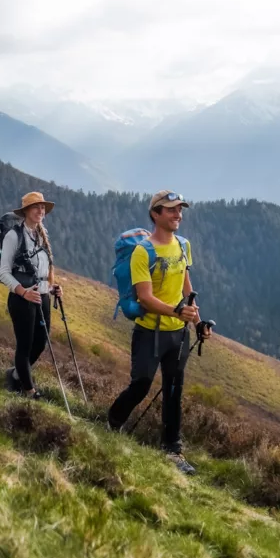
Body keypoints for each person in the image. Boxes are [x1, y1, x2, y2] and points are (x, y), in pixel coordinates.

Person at [107, 190, 208, 475]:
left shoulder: (183, 245)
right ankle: (113, 422)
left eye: (180, 210)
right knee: (141, 384)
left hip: (179, 334)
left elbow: (187, 287)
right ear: (155, 214)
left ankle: (173, 450)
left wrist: (198, 322)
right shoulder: (144, 252)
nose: (178, 215)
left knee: (174, 391)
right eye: (172, 210)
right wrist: (177, 311)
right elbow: (145, 298)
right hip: (149, 332)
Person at [0, 191, 62, 398]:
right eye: (36, 207)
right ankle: (29, 391)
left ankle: (15, 375)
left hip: (42, 296)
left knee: (40, 343)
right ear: (25, 210)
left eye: (42, 208)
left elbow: (41, 272)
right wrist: (23, 292)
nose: (40, 211)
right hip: (22, 299)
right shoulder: (13, 236)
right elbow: (4, 273)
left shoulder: (42, 236)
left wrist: (52, 288)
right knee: (25, 346)